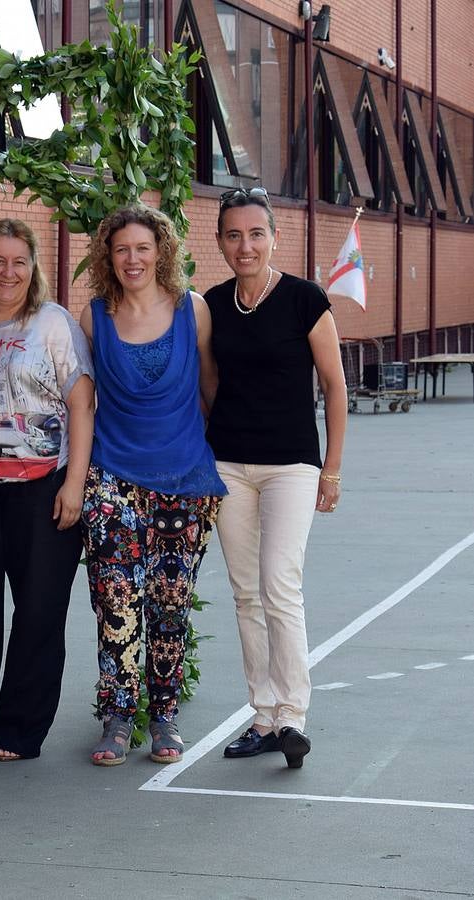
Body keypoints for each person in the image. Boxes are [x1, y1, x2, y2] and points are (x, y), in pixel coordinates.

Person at [0, 218, 95, 762]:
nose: (9, 272)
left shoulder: (52, 324)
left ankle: (20, 730)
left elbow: (82, 403)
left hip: (43, 487)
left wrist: (73, 484)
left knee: (38, 612)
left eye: (19, 262)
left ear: (33, 268)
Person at [79, 205, 226, 767]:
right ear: (108, 258)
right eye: (122, 250)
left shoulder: (195, 311)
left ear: (161, 251)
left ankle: (163, 716)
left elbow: (210, 390)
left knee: (170, 603)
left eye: (142, 248)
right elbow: (82, 404)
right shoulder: (93, 318)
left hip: (185, 482)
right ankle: (118, 717)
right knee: (115, 603)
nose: (133, 259)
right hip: (113, 479)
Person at [206, 187, 347, 769]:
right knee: (245, 593)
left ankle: (292, 716)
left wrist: (331, 469)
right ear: (220, 242)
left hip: (291, 464)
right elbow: (209, 385)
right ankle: (262, 717)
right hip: (229, 466)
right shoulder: (212, 304)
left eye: (256, 233)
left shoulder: (305, 300)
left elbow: (335, 387)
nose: (246, 245)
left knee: (279, 584)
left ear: (274, 237)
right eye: (234, 235)